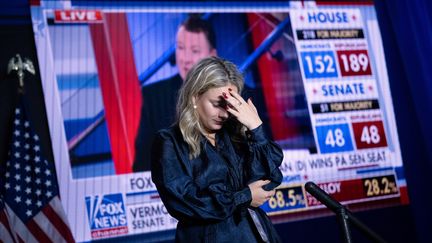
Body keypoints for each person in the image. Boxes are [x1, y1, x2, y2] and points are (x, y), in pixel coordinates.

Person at [151, 57, 283, 242]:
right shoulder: (170, 141)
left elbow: (271, 179)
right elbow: (185, 203)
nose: (224, 113)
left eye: (229, 105)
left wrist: (256, 128)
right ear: (195, 97)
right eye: (216, 104)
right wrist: (244, 196)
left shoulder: (234, 133)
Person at [133, 15, 217, 172]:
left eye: (195, 51)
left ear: (212, 56)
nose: (185, 59)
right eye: (180, 48)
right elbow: (142, 165)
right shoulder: (154, 97)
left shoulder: (240, 95)